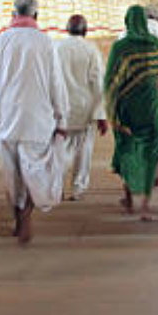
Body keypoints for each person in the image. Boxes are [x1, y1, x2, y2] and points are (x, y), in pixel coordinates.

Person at [0, 0, 69, 245]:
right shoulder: (45, 42)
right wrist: (61, 118)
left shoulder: (1, 41)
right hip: (38, 119)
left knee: (13, 176)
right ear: (36, 16)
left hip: (7, 118)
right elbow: (56, 84)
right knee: (35, 172)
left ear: (13, 13)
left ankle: (19, 219)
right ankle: (28, 216)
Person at [105, 5, 158, 221]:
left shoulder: (121, 47)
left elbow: (110, 81)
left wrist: (111, 111)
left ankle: (129, 197)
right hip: (152, 105)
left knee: (129, 150)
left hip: (127, 107)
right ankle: (145, 206)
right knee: (150, 152)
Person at [55, 14, 108, 201]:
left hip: (60, 107)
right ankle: (78, 188)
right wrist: (101, 114)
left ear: (67, 29)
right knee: (83, 151)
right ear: (85, 31)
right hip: (84, 108)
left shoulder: (56, 48)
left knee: (60, 149)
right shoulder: (91, 50)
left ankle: (57, 186)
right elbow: (98, 83)